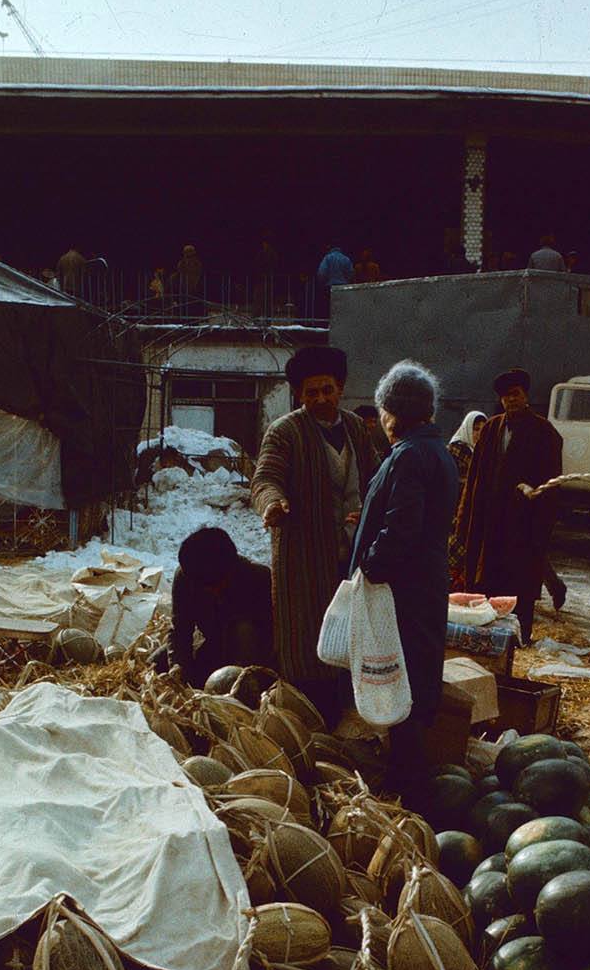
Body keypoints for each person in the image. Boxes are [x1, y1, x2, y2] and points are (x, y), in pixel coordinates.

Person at [349, 361, 459, 807]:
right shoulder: (437, 451)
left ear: (391, 413)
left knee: (403, 683)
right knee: (415, 677)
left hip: (405, 590)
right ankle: (408, 777)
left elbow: (402, 528)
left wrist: (370, 568)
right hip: (424, 581)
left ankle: (410, 793)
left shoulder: (410, 454)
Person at [250, 345, 379, 715]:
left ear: (340, 388)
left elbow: (375, 478)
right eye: (311, 392)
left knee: (349, 637)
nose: (321, 398)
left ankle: (348, 710)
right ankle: (303, 714)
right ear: (299, 394)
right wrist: (273, 504)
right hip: (304, 556)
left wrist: (369, 510)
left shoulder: (355, 427)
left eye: (327, 389)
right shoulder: (285, 432)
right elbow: (265, 479)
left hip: (351, 556)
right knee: (306, 638)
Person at [452, 368, 565, 642]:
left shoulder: (544, 433)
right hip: (489, 525)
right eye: (505, 397)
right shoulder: (491, 428)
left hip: (522, 527)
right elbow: (474, 482)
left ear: (526, 396)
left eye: (515, 395)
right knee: (485, 586)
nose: (510, 401)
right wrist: (464, 523)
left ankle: (519, 641)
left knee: (519, 590)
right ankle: (484, 643)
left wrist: (539, 530)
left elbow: (552, 487)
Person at [169, 527, 274, 685]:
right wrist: (178, 670)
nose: (210, 590)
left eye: (214, 585)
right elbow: (180, 629)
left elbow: (269, 640)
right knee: (158, 665)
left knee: (244, 631)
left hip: (250, 657)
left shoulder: (259, 579)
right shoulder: (187, 577)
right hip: (210, 644)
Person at [446, 410, 487, 588]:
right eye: (475, 428)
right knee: (456, 545)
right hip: (455, 508)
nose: (479, 433)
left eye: (482, 429)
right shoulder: (457, 449)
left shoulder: (483, 450)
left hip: (475, 507)